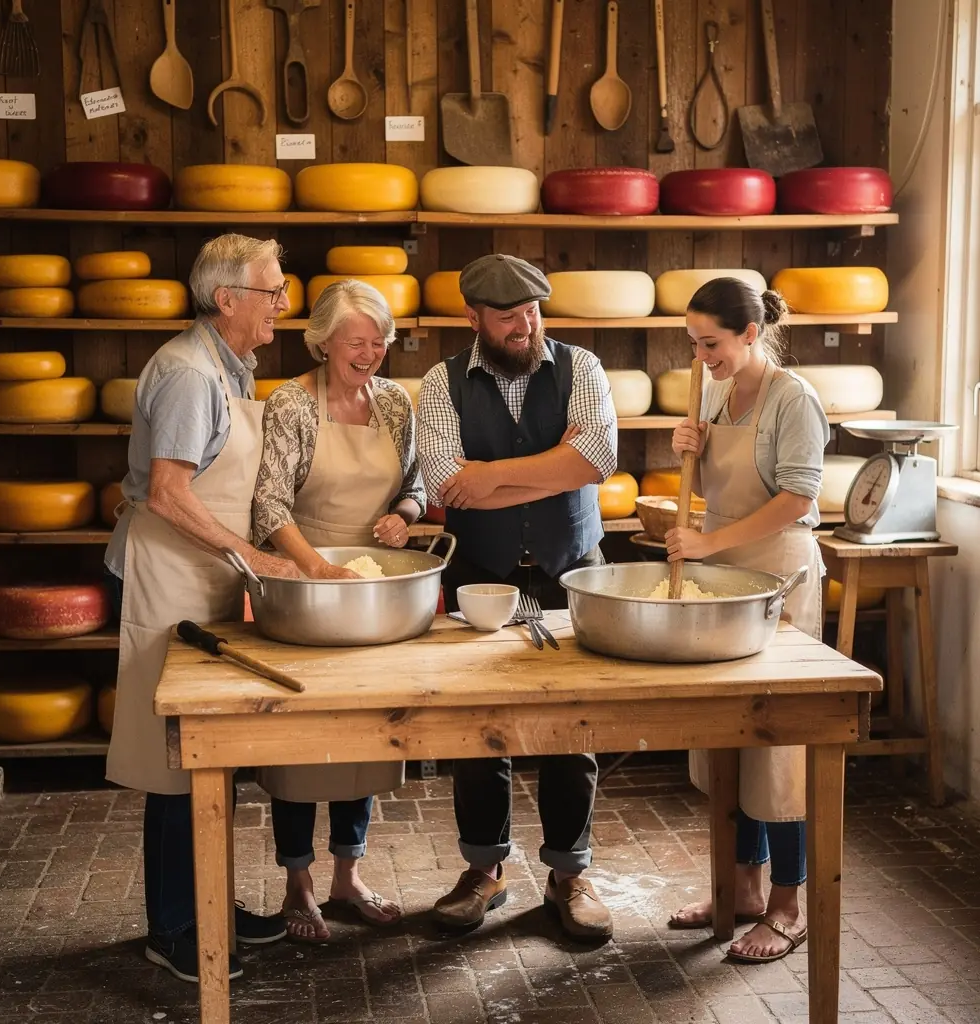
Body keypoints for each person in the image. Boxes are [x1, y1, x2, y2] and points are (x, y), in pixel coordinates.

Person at [102, 233, 301, 983]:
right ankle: (176, 928)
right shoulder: (189, 373)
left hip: (199, 574)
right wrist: (254, 556)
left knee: (208, 757)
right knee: (173, 765)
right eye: (273, 291)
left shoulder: (229, 362)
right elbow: (169, 494)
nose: (282, 303)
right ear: (228, 300)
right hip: (165, 578)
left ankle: (206, 903)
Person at [415, 253, 618, 942]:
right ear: (472, 318)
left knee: (576, 724)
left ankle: (570, 874)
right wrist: (551, 471)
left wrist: (496, 477)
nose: (525, 327)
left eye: (532, 313)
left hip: (570, 568)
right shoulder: (440, 383)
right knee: (478, 726)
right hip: (481, 570)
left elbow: (596, 459)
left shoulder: (582, 367)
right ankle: (484, 871)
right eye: (507, 318)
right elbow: (445, 480)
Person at [252, 279, 426, 941]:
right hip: (304, 586)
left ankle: (346, 875)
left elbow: (415, 484)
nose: (372, 352)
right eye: (358, 341)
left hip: (373, 587)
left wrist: (402, 517)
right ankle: (298, 884)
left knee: (362, 738)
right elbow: (269, 507)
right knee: (300, 741)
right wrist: (317, 567)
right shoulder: (291, 403)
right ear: (322, 340)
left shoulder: (393, 404)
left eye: (379, 340)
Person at [663, 277, 830, 964]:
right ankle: (742, 886)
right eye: (696, 345)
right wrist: (688, 456)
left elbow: (796, 497)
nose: (703, 357)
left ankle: (790, 906)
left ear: (751, 334)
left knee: (778, 744)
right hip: (724, 573)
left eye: (713, 344)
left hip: (777, 577)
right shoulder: (714, 391)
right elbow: (712, 493)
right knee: (730, 735)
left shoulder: (794, 398)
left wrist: (706, 543)